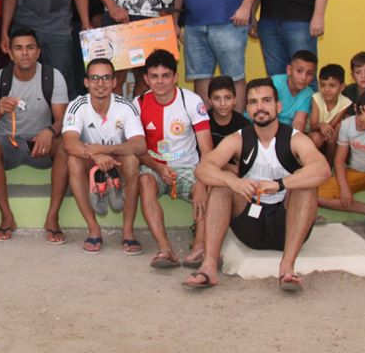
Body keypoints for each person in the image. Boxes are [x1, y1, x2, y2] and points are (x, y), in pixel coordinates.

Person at [184, 78, 330, 291]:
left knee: (305, 187)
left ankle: (287, 267)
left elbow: (322, 169)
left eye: (266, 100)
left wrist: (280, 184)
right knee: (221, 186)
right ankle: (208, 267)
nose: (260, 107)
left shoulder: (294, 138)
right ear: (247, 108)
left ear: (278, 106)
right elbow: (203, 168)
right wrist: (233, 182)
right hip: (250, 225)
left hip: (287, 224)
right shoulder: (239, 139)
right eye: (253, 102)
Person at [0, 28, 70, 243]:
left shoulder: (53, 77)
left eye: (30, 48)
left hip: (41, 143)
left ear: (38, 52)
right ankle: (7, 217)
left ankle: (52, 218)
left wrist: (49, 131)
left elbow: (65, 121)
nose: (25, 53)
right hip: (6, 144)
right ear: (10, 53)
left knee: (65, 145)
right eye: (18, 48)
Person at [131, 50, 212, 267]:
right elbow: (137, 149)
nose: (160, 81)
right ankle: (165, 249)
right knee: (144, 181)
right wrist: (158, 168)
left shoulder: (191, 101)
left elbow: (207, 150)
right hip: (154, 167)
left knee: (209, 188)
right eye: (154, 76)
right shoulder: (138, 104)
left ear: (175, 77)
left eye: (165, 75)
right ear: (146, 78)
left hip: (188, 168)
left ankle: (199, 247)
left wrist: (202, 183)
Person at [62, 59, 146, 254]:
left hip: (117, 160)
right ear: (86, 82)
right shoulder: (77, 105)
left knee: (132, 161)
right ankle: (94, 229)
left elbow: (139, 145)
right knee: (73, 161)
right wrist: (95, 155)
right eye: (95, 78)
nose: (100, 83)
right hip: (90, 161)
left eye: (106, 78)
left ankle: (128, 232)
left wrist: (105, 150)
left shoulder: (126, 106)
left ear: (114, 82)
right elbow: (69, 142)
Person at [318, 89, 365, 248]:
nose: (360, 125)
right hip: (355, 171)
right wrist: (344, 188)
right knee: (316, 195)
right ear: (355, 108)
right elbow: (339, 160)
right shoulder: (347, 124)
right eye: (359, 119)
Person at [308, 64, 352, 158]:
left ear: (342, 87)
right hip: (315, 133)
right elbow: (313, 126)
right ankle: (312, 162)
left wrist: (327, 130)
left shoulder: (346, 103)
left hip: (331, 134)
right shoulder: (316, 98)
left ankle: (329, 164)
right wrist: (321, 125)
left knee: (333, 136)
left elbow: (332, 125)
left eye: (332, 86)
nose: (326, 89)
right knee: (316, 138)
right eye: (322, 85)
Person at [271, 50, 317, 132]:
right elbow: (266, 117)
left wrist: (294, 137)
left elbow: (299, 122)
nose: (303, 77)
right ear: (289, 70)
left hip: (285, 132)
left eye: (309, 73)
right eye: (299, 71)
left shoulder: (308, 94)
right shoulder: (274, 84)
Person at [207, 75, 251, 149]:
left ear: (235, 100)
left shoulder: (244, 125)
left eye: (228, 98)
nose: (222, 103)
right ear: (209, 101)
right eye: (216, 98)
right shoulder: (203, 122)